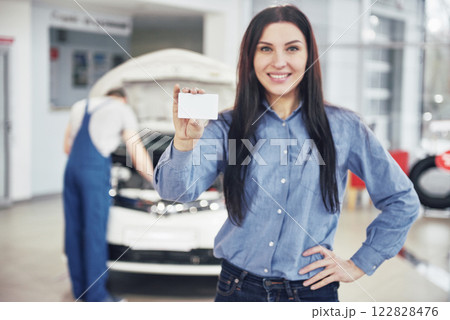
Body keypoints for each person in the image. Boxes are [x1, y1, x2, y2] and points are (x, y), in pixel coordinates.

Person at [153, 5, 420, 302]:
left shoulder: (345, 127)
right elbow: (176, 192)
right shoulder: (225, 126)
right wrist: (184, 142)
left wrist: (360, 263)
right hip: (238, 290)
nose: (279, 61)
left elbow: (402, 200)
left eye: (292, 48)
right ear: (250, 58)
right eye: (265, 49)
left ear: (309, 55)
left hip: (311, 293)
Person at [63, 88, 153, 302]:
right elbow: (136, 151)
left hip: (72, 170)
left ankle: (80, 292)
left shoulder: (79, 106)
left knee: (73, 231)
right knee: (94, 233)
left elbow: (67, 146)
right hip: (93, 173)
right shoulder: (122, 109)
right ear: (124, 98)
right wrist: (155, 180)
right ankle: (97, 297)